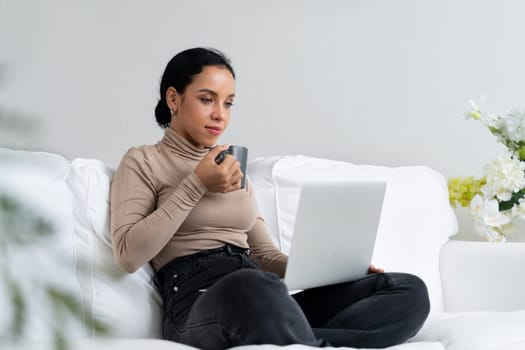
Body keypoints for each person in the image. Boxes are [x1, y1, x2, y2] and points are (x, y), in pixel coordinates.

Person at [109, 47, 430, 349]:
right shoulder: (144, 161)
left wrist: (340, 271)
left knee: (407, 290)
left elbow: (265, 256)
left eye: (228, 103)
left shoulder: (233, 168)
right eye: (207, 99)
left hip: (263, 297)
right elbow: (127, 254)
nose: (220, 114)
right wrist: (196, 184)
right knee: (253, 286)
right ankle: (298, 337)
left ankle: (296, 340)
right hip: (196, 303)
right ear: (173, 99)